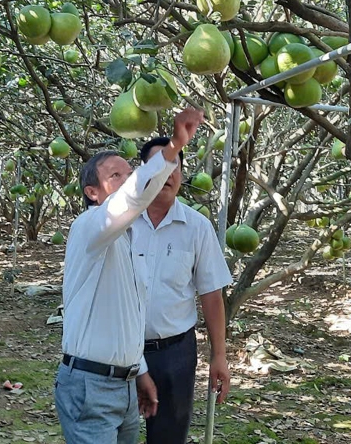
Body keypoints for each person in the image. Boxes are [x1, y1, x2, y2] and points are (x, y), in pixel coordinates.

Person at [56, 107, 203, 444]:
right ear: (93, 193)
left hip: (122, 387)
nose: (127, 181)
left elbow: (126, 317)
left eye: (129, 173)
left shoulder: (127, 240)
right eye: (115, 176)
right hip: (91, 388)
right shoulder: (90, 227)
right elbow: (134, 196)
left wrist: (140, 371)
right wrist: (174, 147)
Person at [131, 137, 232, 444]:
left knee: (168, 437)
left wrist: (219, 355)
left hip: (174, 352)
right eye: (160, 164)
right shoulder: (122, 223)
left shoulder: (197, 227)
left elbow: (211, 295)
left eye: (174, 164)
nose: (169, 173)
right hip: (121, 350)